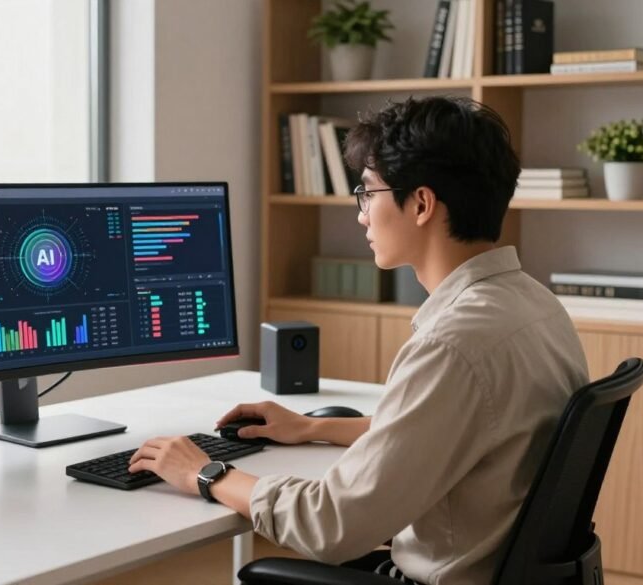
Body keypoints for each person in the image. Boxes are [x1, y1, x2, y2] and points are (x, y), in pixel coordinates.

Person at [128, 96, 589, 584]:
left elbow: (333, 525)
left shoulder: (454, 344)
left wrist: (207, 473)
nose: (362, 215)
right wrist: (312, 429)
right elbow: (451, 429)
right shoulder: (535, 306)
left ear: (421, 204)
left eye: (368, 193)